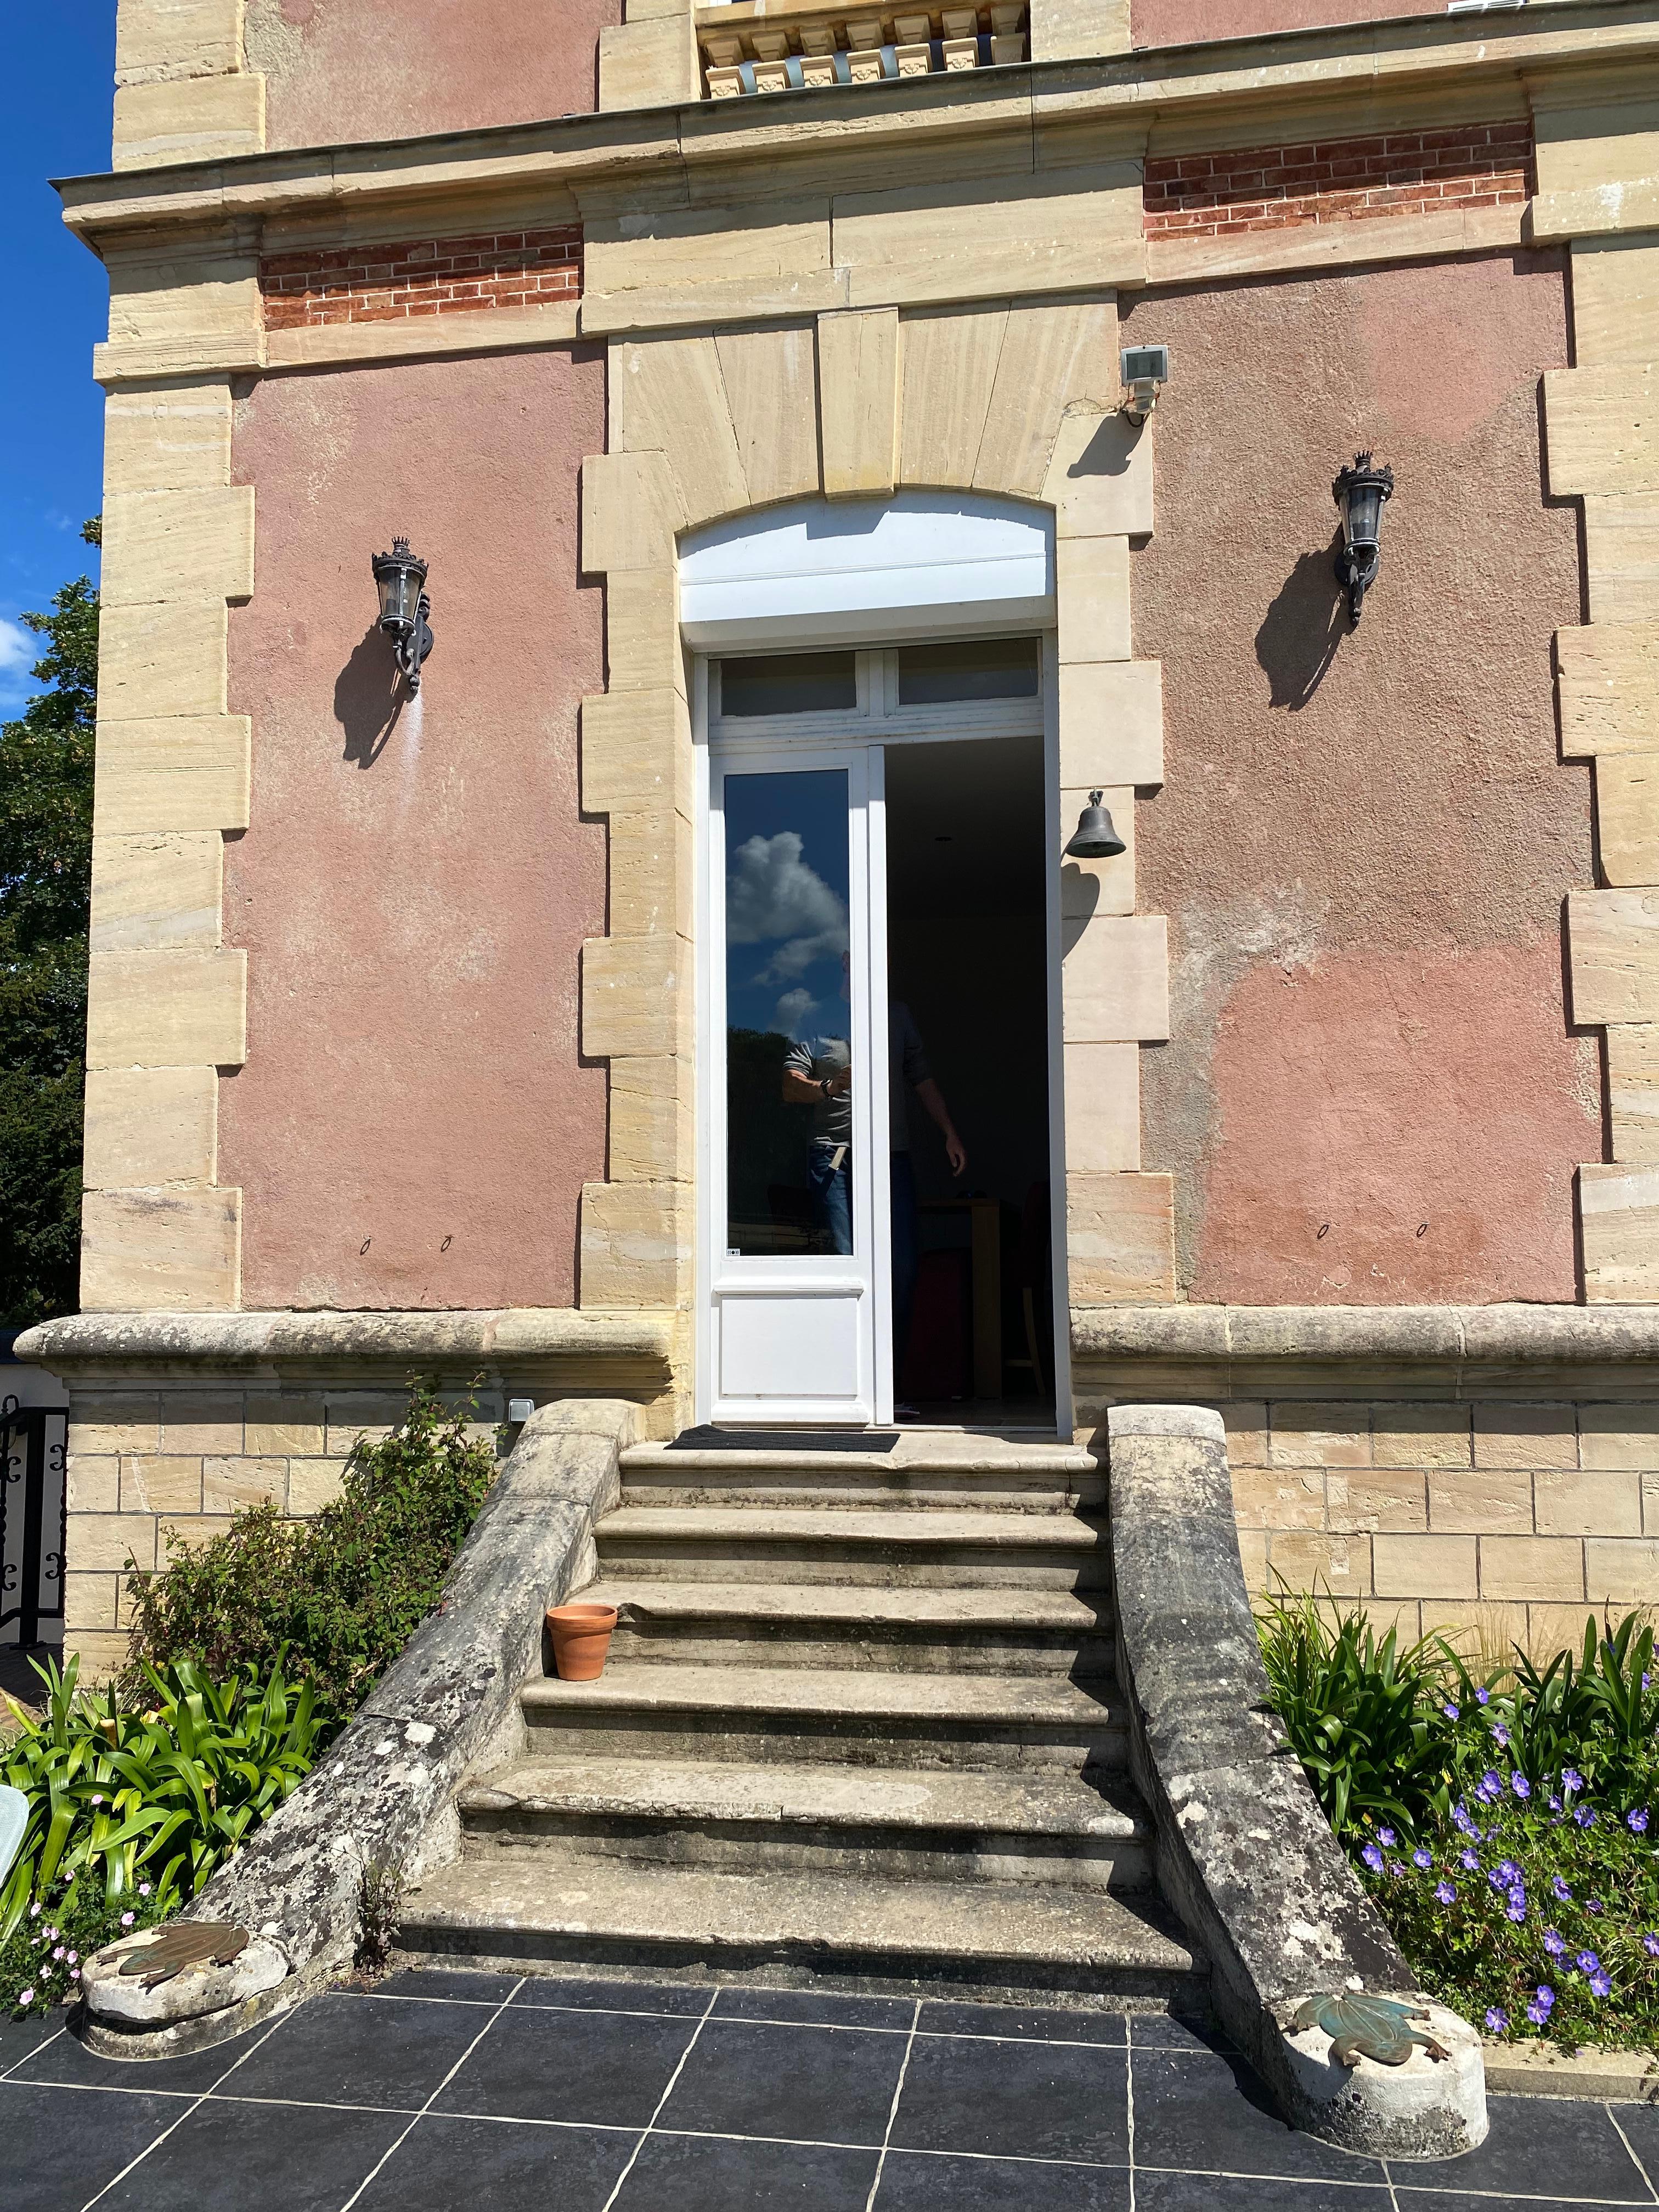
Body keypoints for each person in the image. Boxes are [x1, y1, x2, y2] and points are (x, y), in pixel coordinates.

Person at [782, 974, 966, 1395]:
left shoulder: (896, 1015)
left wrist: (949, 1132)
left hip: (889, 1157)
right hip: (833, 1155)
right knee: (843, 1262)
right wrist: (830, 1086)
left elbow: (922, 1080)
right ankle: (842, 1384)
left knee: (902, 1268)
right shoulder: (816, 1014)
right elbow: (789, 1086)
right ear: (840, 961)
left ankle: (887, 1386)